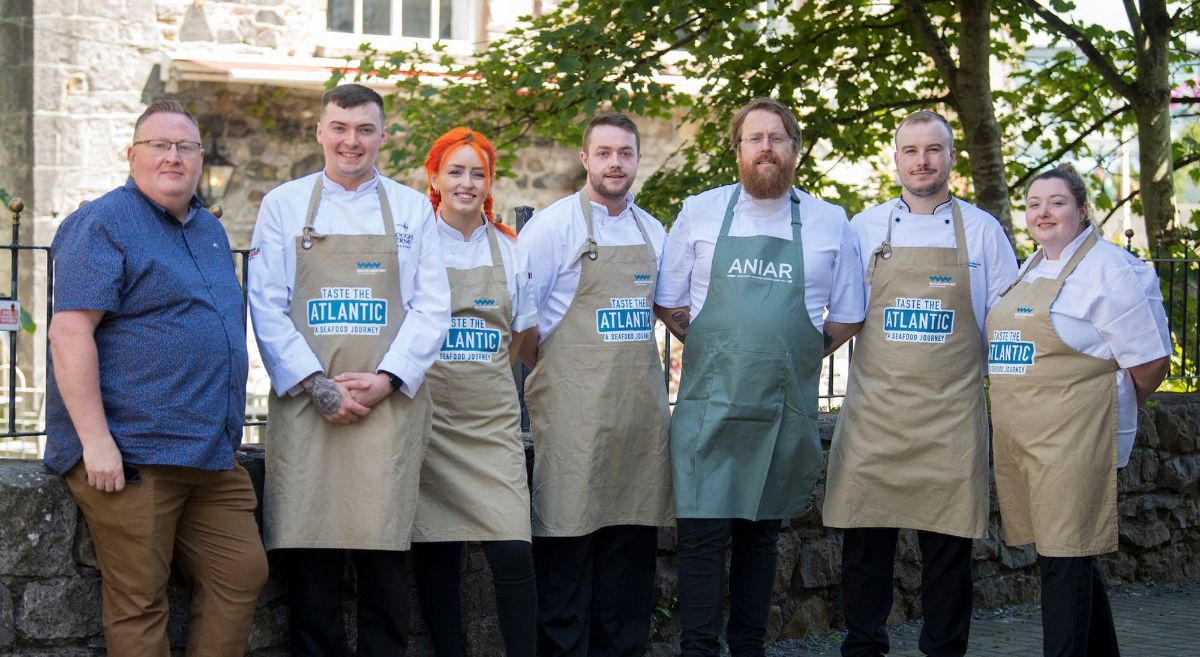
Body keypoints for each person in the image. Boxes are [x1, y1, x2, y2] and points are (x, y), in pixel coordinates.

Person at [44, 99, 268, 656]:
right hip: (133, 452)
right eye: (160, 146)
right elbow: (69, 334)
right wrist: (96, 443)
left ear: (198, 158)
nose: (174, 157)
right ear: (133, 155)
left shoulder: (210, 229)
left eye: (185, 147)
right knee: (139, 601)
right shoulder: (101, 222)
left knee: (240, 574)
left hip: (211, 456)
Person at [655, 97, 865, 657]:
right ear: (738, 149)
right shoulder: (700, 211)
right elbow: (669, 300)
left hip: (781, 411)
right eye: (755, 138)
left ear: (795, 150)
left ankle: (749, 649)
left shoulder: (829, 221)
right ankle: (698, 650)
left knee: (759, 538)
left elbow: (846, 315)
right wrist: (720, 349)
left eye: (777, 138)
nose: (765, 148)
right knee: (701, 538)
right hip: (707, 408)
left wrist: (792, 354)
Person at [247, 83, 450, 657]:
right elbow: (266, 304)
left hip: (386, 412)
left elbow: (432, 307)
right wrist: (318, 386)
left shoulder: (412, 210)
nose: (351, 141)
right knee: (312, 566)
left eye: (365, 129)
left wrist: (385, 380)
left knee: (385, 563)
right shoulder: (284, 206)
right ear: (320, 132)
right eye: (340, 127)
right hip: (308, 409)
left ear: (383, 136)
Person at [821, 110, 1018, 657]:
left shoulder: (982, 231)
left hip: (951, 414)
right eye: (911, 151)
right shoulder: (865, 228)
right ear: (896, 158)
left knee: (949, 550)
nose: (922, 160)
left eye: (933, 150)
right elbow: (842, 314)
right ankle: (862, 646)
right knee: (865, 542)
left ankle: (945, 649)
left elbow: (1005, 323)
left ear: (951, 157)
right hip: (875, 414)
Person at [987, 164, 1170, 657]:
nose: (1043, 212)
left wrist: (1096, 406)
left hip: (1074, 441)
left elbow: (1150, 361)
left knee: (1063, 563)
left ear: (1083, 210)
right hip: (1028, 441)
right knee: (1070, 557)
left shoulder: (1107, 268)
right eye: (1034, 204)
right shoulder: (1031, 266)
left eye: (1057, 202)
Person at [518, 111, 674, 657]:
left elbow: (670, 312)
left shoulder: (652, 231)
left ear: (636, 160)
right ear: (586, 159)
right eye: (604, 153)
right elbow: (522, 324)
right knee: (566, 554)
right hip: (572, 419)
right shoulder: (552, 227)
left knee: (628, 564)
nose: (615, 163)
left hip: (637, 423)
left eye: (625, 153)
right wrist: (562, 376)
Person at [410, 127, 537, 657]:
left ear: (490, 184)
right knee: (435, 557)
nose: (467, 182)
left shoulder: (510, 249)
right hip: (429, 424)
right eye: (456, 171)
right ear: (435, 176)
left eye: (478, 173)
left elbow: (524, 335)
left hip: (492, 429)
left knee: (513, 555)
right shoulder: (414, 244)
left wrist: (480, 375)